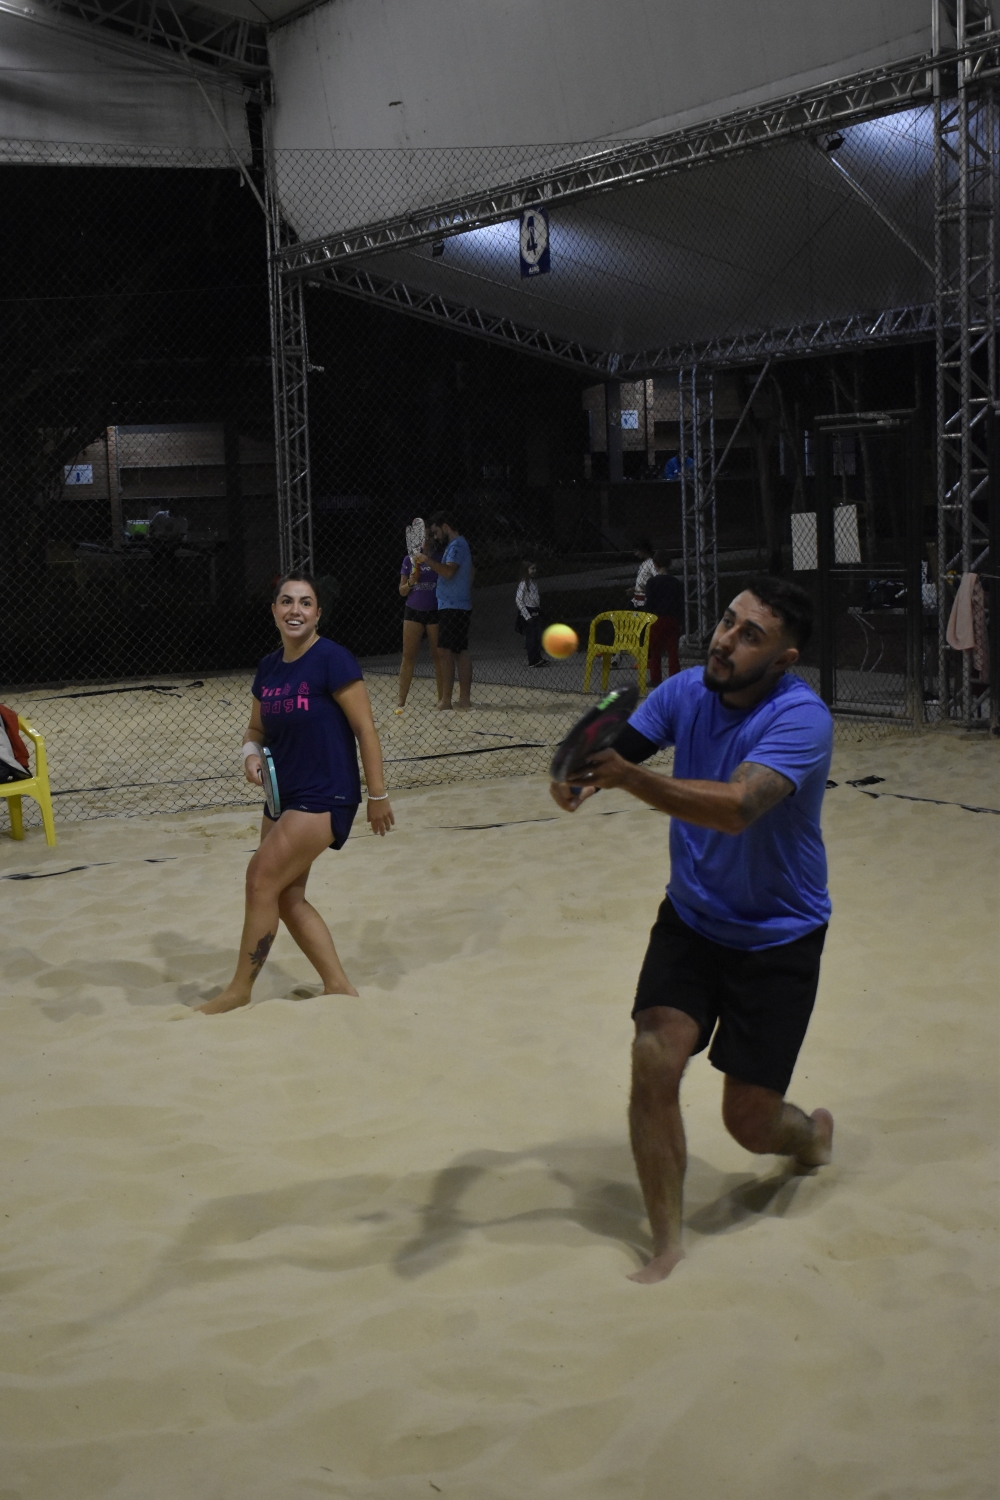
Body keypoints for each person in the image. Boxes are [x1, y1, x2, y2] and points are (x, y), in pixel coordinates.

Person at [550, 576, 834, 1283]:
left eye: (749, 635)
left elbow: (738, 807)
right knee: (654, 1053)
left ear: (784, 659)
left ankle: (810, 1137)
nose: (725, 639)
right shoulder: (684, 692)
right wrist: (579, 775)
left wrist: (627, 779)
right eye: (728, 621)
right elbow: (622, 746)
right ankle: (667, 1243)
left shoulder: (801, 719)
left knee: (751, 1123)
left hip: (779, 934)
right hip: (693, 917)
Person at [198, 572, 394, 1016]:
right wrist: (250, 755)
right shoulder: (269, 667)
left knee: (260, 879)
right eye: (286, 601)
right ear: (274, 611)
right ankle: (338, 986)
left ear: (318, 613)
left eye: (305, 603)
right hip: (282, 795)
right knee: (286, 896)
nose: (295, 610)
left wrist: (378, 796)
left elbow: (365, 729)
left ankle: (239, 991)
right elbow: (255, 729)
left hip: (325, 793)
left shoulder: (333, 659)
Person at [413, 511, 473, 710]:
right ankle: (461, 699)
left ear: (445, 527)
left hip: (453, 605)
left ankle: (448, 699)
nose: (436, 536)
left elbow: (448, 572)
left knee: (447, 651)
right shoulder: (458, 545)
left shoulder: (456, 545)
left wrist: (426, 560)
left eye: (436, 531)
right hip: (454, 603)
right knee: (457, 650)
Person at [397, 538, 444, 709]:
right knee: (408, 656)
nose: (424, 542)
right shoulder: (409, 559)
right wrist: (411, 581)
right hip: (413, 610)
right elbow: (402, 591)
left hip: (435, 609)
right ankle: (401, 701)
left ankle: (442, 699)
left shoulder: (439, 557)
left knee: (438, 656)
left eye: (427, 538)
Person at [643, 551, 684, 686]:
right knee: (672, 652)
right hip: (671, 619)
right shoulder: (675, 582)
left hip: (656, 619)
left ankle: (655, 678)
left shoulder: (652, 582)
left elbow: (649, 603)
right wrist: (679, 620)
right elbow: (679, 603)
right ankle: (674, 678)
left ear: (655, 564)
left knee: (655, 651)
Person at [516, 559, 546, 668]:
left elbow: (535, 597)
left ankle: (538, 657)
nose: (534, 571)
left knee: (537, 636)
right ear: (526, 570)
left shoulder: (533, 583)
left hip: (535, 611)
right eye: (532, 569)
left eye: (535, 568)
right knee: (531, 637)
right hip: (527, 612)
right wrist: (526, 615)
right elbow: (519, 600)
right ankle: (532, 660)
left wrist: (538, 609)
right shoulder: (523, 584)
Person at [631, 538, 656, 609]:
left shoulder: (652, 562)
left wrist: (647, 588)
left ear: (643, 550)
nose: (636, 554)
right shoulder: (644, 563)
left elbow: (656, 578)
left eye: (637, 551)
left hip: (646, 600)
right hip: (639, 599)